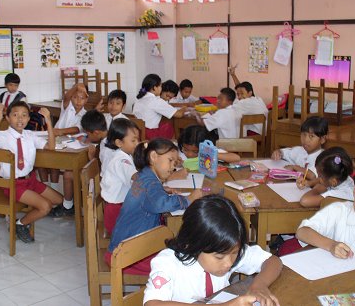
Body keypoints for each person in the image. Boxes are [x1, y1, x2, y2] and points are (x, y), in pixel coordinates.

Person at [144, 195, 282, 305]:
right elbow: (152, 303)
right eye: (219, 257)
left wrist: (258, 285)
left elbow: (273, 261)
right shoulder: (167, 263)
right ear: (193, 244)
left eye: (234, 253)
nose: (229, 263)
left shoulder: (226, 248)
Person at [106, 138, 203, 274]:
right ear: (153, 157)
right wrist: (188, 199)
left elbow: (150, 198)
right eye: (170, 161)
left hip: (123, 247)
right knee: (181, 265)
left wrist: (163, 191)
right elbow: (160, 204)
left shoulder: (145, 176)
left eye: (175, 163)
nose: (173, 167)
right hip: (129, 256)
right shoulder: (151, 183)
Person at [0, 101, 62, 243]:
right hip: (12, 183)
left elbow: (51, 146)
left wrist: (48, 120)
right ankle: (20, 224)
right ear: (8, 118)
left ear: (29, 119)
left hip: (30, 180)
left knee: (59, 200)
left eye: (24, 115)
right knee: (45, 206)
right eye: (15, 115)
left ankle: (32, 213)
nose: (20, 119)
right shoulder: (3, 135)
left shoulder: (30, 135)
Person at [44, 83, 88, 217]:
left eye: (82, 98)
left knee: (59, 166)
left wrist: (59, 131)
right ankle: (54, 196)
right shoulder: (67, 107)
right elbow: (67, 96)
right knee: (50, 166)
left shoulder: (85, 115)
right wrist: (77, 86)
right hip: (56, 141)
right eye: (75, 97)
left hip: (70, 146)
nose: (78, 101)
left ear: (86, 100)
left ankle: (63, 200)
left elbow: (76, 129)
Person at [101, 118, 140, 235]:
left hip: (120, 207)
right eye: (133, 141)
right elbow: (137, 177)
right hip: (117, 213)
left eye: (137, 139)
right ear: (119, 143)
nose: (137, 143)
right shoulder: (121, 160)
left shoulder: (123, 155)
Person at [271, 116, 328, 180]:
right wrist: (278, 153)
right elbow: (283, 153)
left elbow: (312, 176)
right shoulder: (299, 150)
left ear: (322, 139)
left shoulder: (323, 158)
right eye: (304, 134)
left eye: (311, 136)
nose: (306, 140)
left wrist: (295, 167)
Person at [133, 74, 187, 140]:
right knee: (170, 127)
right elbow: (179, 114)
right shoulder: (156, 101)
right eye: (160, 86)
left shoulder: (139, 99)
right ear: (155, 87)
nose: (161, 88)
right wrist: (184, 108)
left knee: (164, 124)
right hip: (148, 134)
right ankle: (169, 147)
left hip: (136, 132)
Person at [228, 66, 268, 136]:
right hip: (264, 133)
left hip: (255, 133)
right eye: (238, 94)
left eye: (242, 94)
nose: (239, 97)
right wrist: (233, 75)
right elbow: (239, 88)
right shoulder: (258, 99)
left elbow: (229, 110)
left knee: (232, 128)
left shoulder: (245, 102)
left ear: (250, 93)